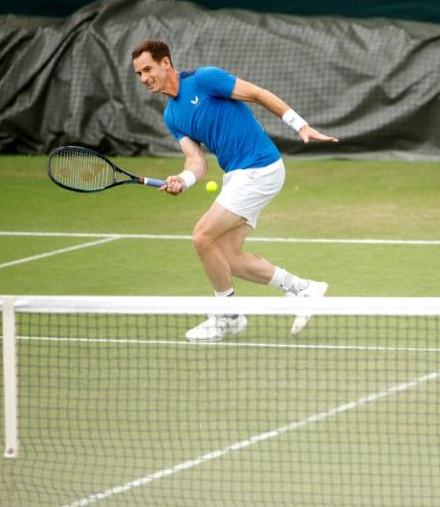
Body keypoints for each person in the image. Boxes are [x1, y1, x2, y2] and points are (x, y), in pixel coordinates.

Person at [131, 39, 338, 341]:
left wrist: (300, 125)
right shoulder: (172, 116)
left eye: (147, 68)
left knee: (202, 236)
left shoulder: (204, 79)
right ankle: (304, 289)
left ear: (166, 63)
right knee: (225, 256)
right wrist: (183, 180)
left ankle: (228, 315)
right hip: (240, 175)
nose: (144, 78)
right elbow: (196, 161)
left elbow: (257, 93)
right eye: (138, 73)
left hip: (258, 167)